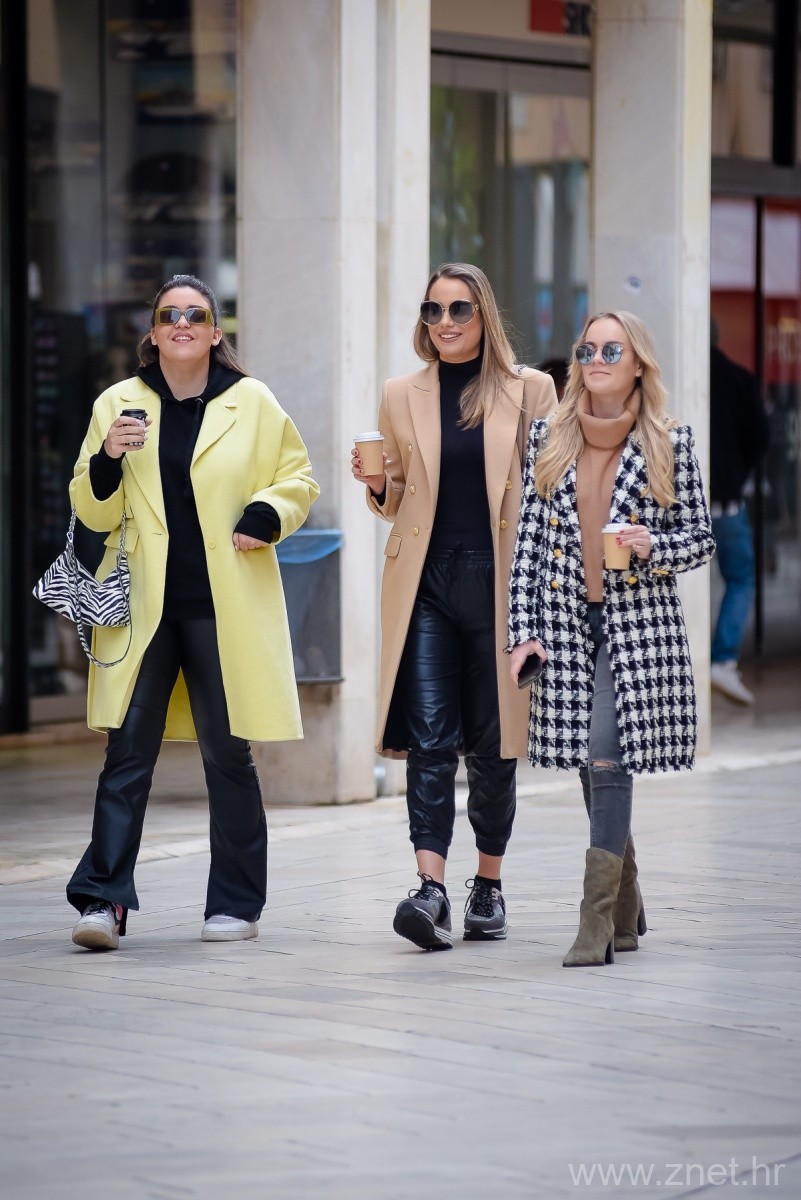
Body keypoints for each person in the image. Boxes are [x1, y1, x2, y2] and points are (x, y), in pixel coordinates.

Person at [67, 274, 319, 950]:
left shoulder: (251, 400)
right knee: (126, 751)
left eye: (196, 314)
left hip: (222, 607)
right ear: (152, 333)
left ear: (214, 332)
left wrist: (266, 513)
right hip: (142, 609)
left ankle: (235, 903)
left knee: (227, 754)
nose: (182, 323)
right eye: (169, 314)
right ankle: (102, 901)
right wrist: (107, 458)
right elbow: (91, 509)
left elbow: (297, 477)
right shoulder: (118, 404)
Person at [352, 262, 557, 950]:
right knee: (430, 738)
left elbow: (549, 491)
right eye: (433, 310)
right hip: (426, 585)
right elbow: (397, 499)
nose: (444, 322)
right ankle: (430, 888)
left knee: (495, 746)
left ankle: (488, 886)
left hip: (503, 584)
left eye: (459, 309)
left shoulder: (530, 390)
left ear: (483, 315)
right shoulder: (400, 392)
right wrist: (376, 485)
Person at [508, 310, 714, 967]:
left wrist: (654, 545)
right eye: (587, 349)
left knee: (605, 757)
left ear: (637, 365)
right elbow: (528, 547)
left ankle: (593, 922)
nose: (595, 360)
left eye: (611, 350)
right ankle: (626, 906)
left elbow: (700, 538)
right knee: (586, 760)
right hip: (566, 627)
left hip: (636, 628)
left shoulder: (669, 442)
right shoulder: (548, 438)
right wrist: (522, 633)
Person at [709, 329, 769, 705]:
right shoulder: (739, 380)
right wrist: (736, 474)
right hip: (726, 501)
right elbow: (760, 438)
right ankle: (722, 659)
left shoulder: (669, 376)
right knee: (741, 578)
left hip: (680, 505)